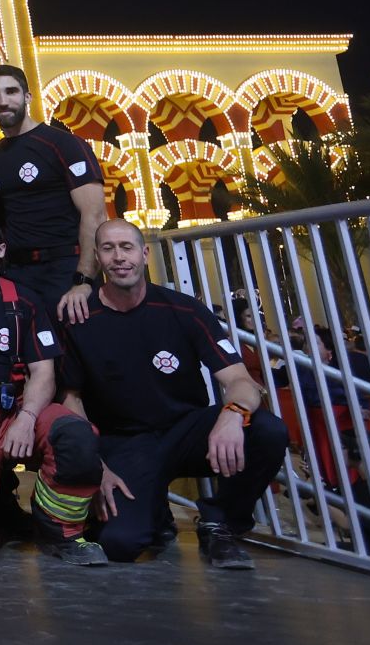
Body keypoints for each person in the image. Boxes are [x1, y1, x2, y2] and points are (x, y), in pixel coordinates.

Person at [60, 219, 287, 569]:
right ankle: (155, 513)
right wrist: (96, 466)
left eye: (127, 247)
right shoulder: (80, 317)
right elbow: (71, 400)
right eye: (108, 248)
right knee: (121, 543)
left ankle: (220, 524)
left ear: (145, 254)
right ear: (97, 258)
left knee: (267, 430)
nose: (119, 257)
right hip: (125, 442)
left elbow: (241, 380)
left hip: (187, 430)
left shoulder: (184, 309)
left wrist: (232, 413)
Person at [0, 216, 104, 564]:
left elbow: (44, 373)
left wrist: (27, 418)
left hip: (18, 410)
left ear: (0, 250)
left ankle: (59, 531)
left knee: (75, 435)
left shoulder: (24, 302)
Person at [0, 65, 107, 322]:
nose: (3, 101)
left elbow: (94, 216)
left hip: (64, 271)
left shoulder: (63, 144)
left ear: (27, 97)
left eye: (11, 91)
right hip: (18, 274)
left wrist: (83, 280)